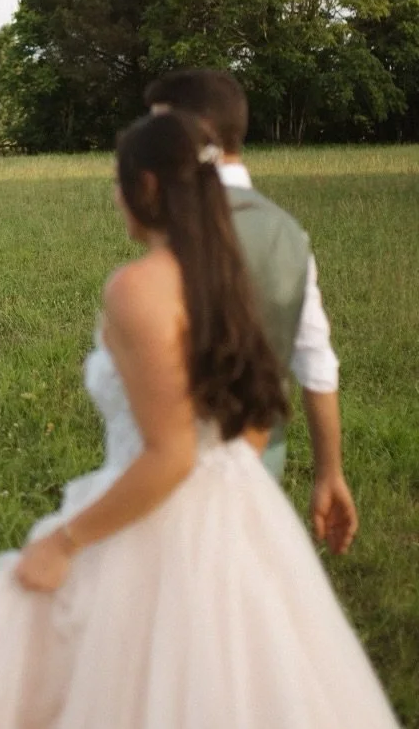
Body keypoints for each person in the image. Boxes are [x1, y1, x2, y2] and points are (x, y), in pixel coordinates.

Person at [0, 112, 398, 728]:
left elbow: (172, 454)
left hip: (165, 518)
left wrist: (64, 541)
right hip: (242, 512)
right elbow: (256, 411)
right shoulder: (226, 273)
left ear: (149, 187)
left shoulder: (139, 289)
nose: (113, 194)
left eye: (118, 179)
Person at [144, 68, 357, 554]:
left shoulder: (175, 228)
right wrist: (329, 474)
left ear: (195, 136)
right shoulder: (290, 233)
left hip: (173, 475)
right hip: (263, 467)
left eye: (159, 129)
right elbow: (316, 361)